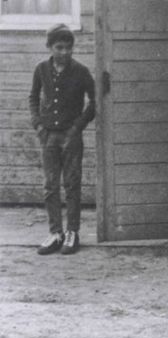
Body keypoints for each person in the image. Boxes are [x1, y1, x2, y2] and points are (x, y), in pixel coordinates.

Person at [28, 23, 95, 256]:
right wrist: (38, 125)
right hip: (48, 136)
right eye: (59, 47)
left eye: (68, 48)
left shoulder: (81, 71)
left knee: (72, 184)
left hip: (71, 137)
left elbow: (93, 102)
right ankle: (55, 232)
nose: (64, 52)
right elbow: (33, 98)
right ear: (50, 47)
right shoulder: (41, 70)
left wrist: (77, 127)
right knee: (50, 185)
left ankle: (72, 232)